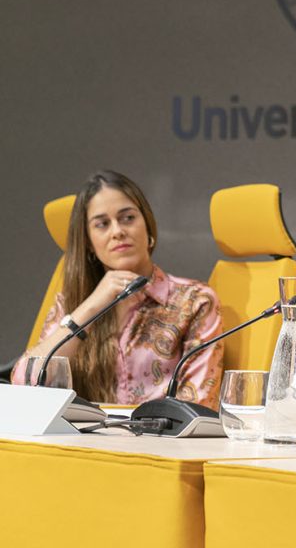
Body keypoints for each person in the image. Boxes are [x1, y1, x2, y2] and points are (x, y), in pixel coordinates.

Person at [15, 170, 224, 407]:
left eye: (128, 218)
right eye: (102, 224)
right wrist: (93, 306)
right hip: (81, 439)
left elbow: (198, 406)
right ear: (90, 244)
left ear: (149, 228)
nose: (117, 231)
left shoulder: (194, 301)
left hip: (158, 441)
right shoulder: (73, 302)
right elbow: (25, 383)